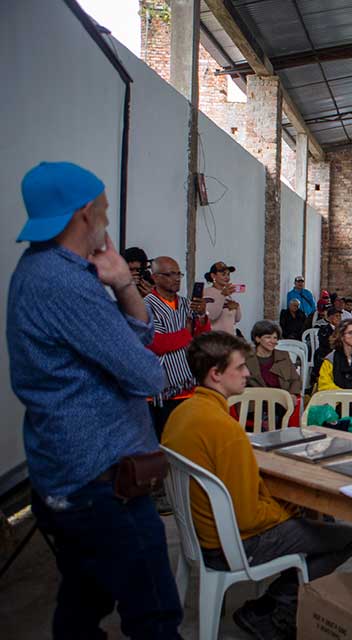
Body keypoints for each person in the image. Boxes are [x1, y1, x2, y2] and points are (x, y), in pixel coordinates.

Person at [8, 162, 181, 637]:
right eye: (103, 210)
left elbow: (131, 341)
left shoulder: (50, 271)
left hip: (71, 474)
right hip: (101, 486)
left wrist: (124, 285)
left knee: (84, 601)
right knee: (155, 615)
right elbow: (147, 373)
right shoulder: (63, 284)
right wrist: (125, 290)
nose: (106, 221)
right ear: (85, 214)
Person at [163, 332, 352, 636]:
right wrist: (289, 511)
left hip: (199, 535)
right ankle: (270, 612)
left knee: (312, 517)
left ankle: (281, 607)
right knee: (344, 537)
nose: (247, 373)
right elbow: (249, 517)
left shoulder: (181, 414)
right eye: (240, 367)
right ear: (215, 374)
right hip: (231, 544)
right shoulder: (225, 429)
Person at [145, 256, 211, 436]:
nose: (176, 278)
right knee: (168, 440)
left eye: (178, 273)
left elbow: (202, 340)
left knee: (189, 440)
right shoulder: (147, 305)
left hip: (189, 382)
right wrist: (186, 334)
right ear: (155, 277)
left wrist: (202, 317)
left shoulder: (185, 304)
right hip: (164, 389)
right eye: (169, 274)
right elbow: (155, 344)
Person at [245, 320, 302, 395]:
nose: (273, 341)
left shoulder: (284, 356)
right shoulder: (246, 358)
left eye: (275, 338)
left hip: (281, 402)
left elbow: (296, 380)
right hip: (255, 402)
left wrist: (292, 395)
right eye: (268, 337)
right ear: (257, 339)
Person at [203, 261, 242, 335]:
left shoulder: (228, 294)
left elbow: (237, 319)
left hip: (230, 340)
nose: (227, 277)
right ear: (213, 276)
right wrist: (222, 296)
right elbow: (211, 316)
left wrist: (237, 307)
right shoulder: (207, 292)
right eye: (223, 274)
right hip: (216, 341)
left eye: (228, 274)